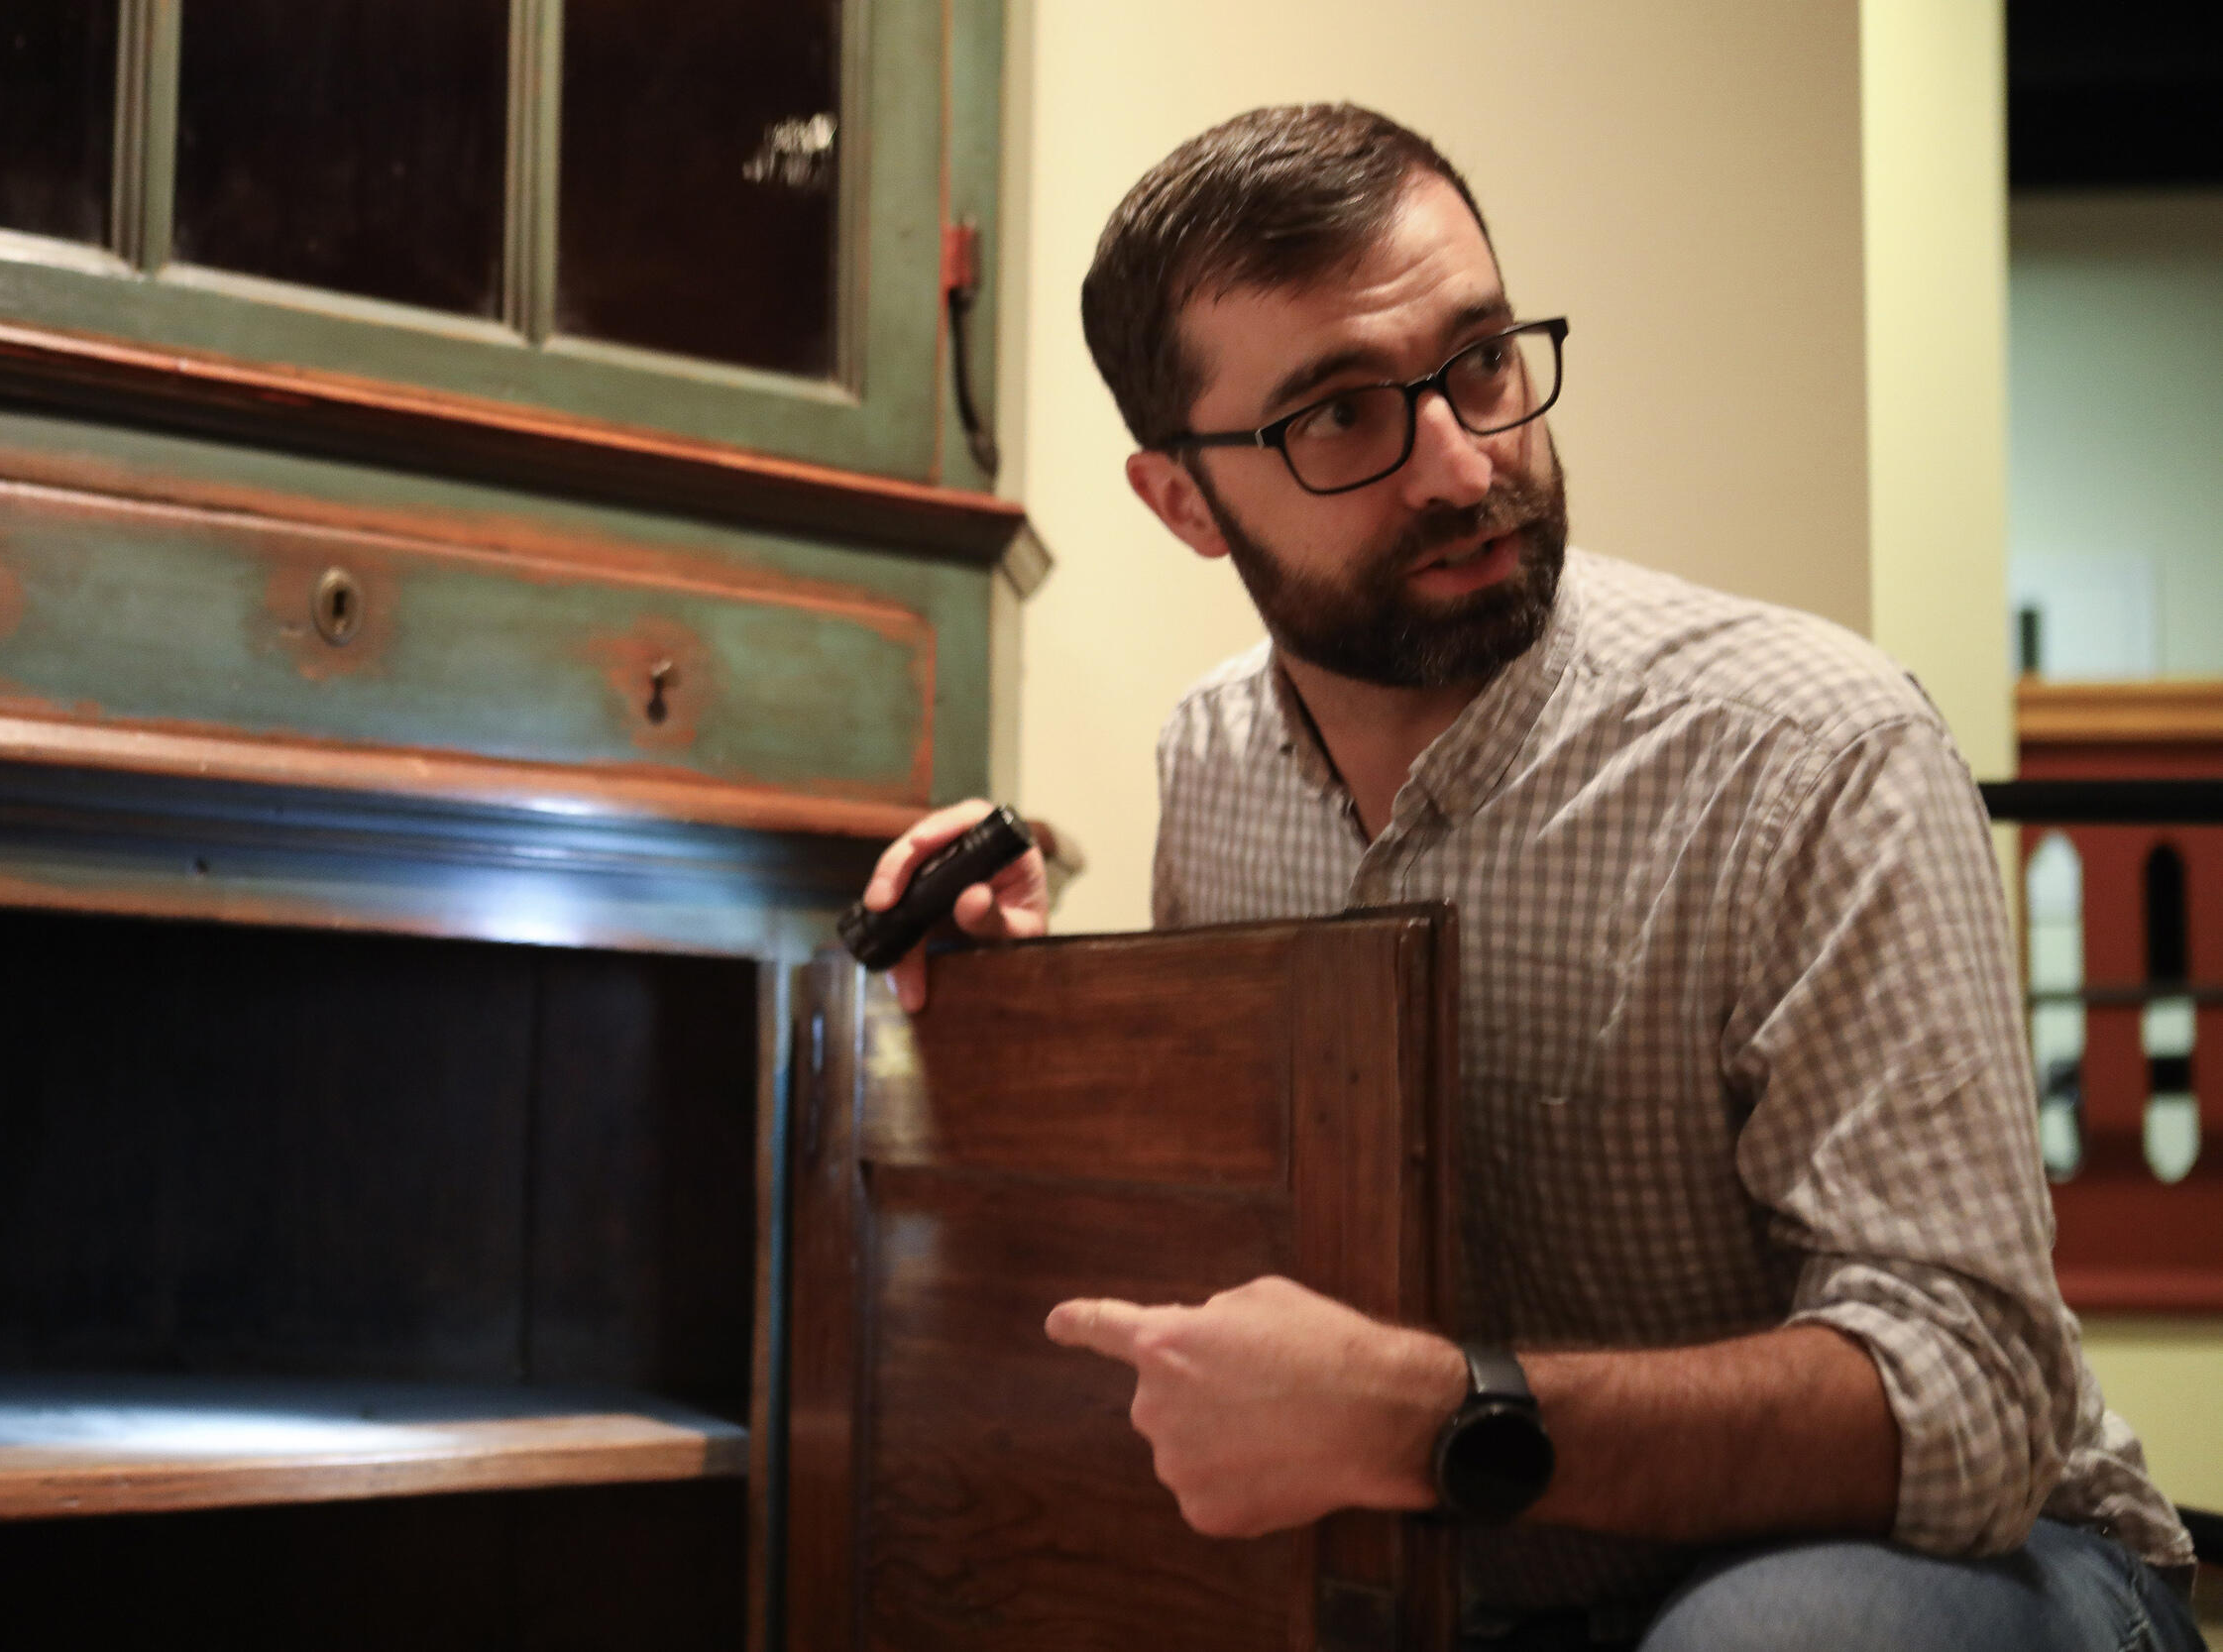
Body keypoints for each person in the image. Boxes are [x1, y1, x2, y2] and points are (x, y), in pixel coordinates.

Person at [855, 104, 2200, 1651]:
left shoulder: (1815, 751)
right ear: (1182, 502)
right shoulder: (1212, 768)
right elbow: (1267, 1282)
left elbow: (1971, 1410)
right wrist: (1041, 1023)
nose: (1461, 460)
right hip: (1480, 1579)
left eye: (1481, 359)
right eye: (1342, 415)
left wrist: (1437, 1415)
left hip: (1977, 1570)